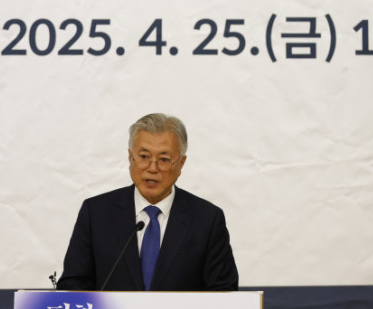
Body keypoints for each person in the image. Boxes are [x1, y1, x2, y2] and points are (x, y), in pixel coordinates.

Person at [56, 113, 238, 291]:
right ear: (130, 157)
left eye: (164, 159)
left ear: (181, 163)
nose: (152, 168)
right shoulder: (96, 213)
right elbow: (73, 284)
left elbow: (223, 292)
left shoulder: (207, 220)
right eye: (144, 156)